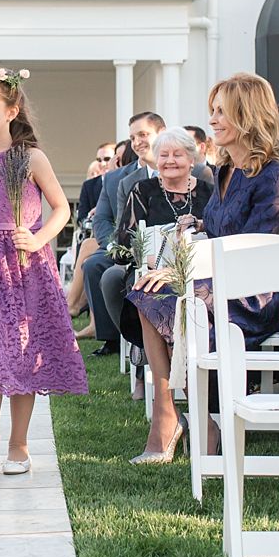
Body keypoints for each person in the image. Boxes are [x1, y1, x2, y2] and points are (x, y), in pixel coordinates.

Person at [126, 75, 279, 463]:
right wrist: (198, 225)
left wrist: (182, 276)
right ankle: (177, 415)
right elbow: (223, 228)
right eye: (213, 111)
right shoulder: (224, 171)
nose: (213, 120)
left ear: (247, 116)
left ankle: (175, 418)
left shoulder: (272, 174)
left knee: (164, 295)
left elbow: (255, 248)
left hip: (251, 294)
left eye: (222, 112)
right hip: (215, 282)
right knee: (146, 291)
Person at [0, 64, 86, 476]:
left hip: (24, 265)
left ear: (11, 110)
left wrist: (39, 237)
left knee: (24, 352)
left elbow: (62, 208)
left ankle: (19, 443)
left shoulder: (32, 158)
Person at [114, 127, 215, 379]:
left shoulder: (208, 192)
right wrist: (152, 260)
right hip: (152, 271)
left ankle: (198, 374)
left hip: (199, 272)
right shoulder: (143, 190)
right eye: (164, 155)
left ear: (192, 160)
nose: (170, 160)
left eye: (178, 155)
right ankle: (161, 377)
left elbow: (218, 235)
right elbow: (124, 244)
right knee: (148, 289)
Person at [83, 112, 164, 356]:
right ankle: (113, 338)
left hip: (164, 250)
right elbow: (103, 219)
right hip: (123, 247)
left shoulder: (178, 168)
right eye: (132, 137)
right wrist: (116, 248)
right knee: (94, 264)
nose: (137, 142)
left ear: (161, 133)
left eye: (143, 135)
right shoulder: (116, 178)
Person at [66, 141, 116, 321]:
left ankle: (73, 304)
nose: (103, 163)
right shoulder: (91, 185)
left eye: (107, 158)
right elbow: (81, 213)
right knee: (87, 250)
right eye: (99, 159)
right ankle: (76, 304)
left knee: (89, 250)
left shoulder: (120, 180)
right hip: (94, 232)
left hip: (112, 237)